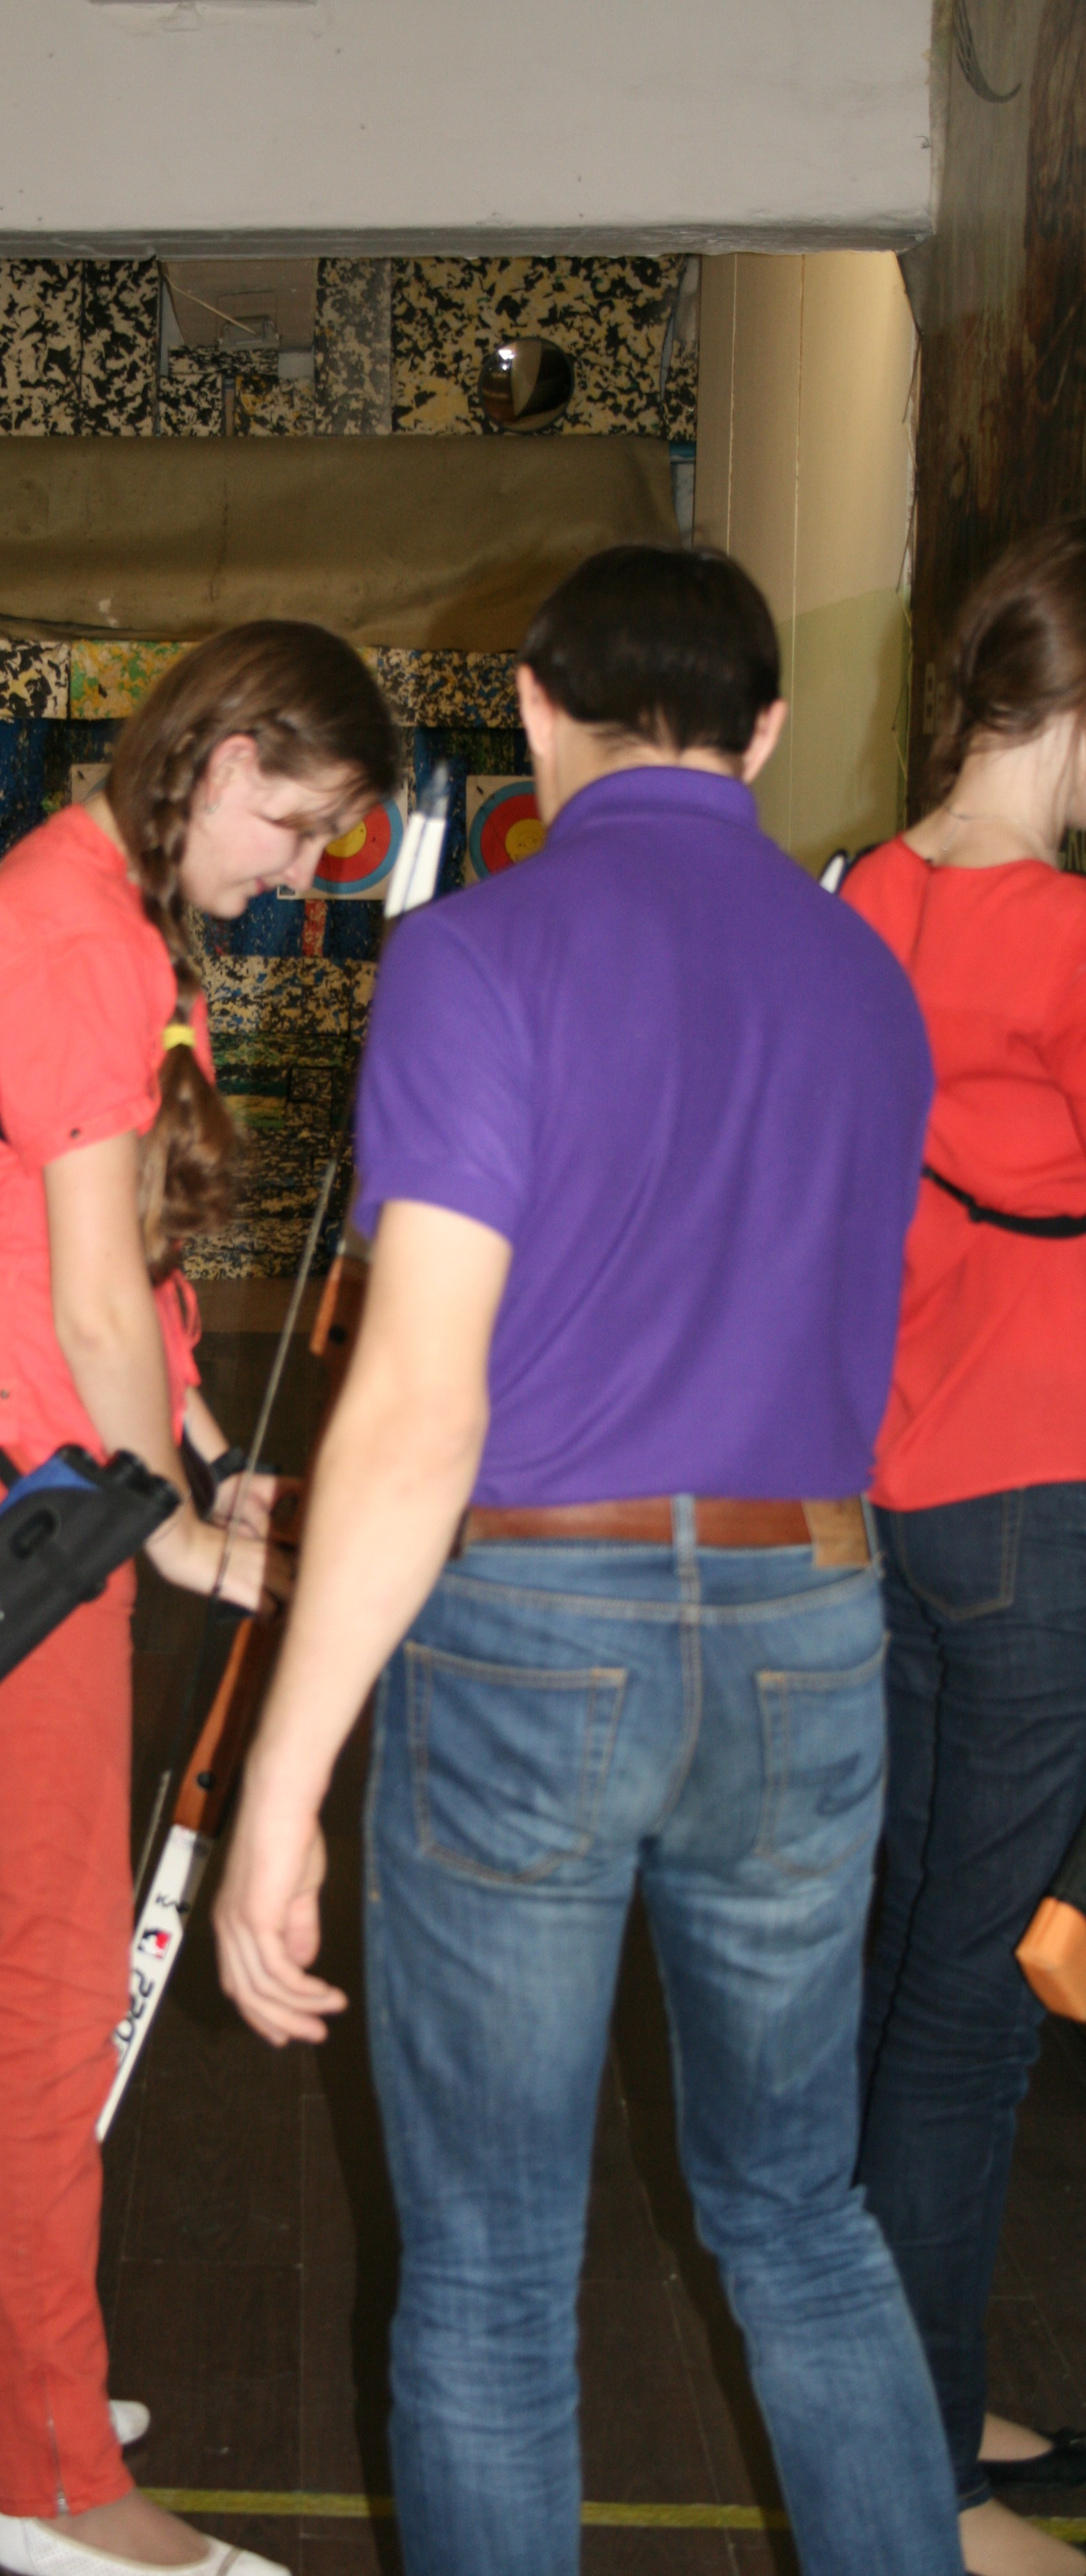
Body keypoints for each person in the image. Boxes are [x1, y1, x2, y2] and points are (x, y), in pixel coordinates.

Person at [213, 547, 965, 2576]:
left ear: (534, 711)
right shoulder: (863, 978)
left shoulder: (479, 959)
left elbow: (416, 1407)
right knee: (803, 2219)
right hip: (814, 1621)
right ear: (768, 731)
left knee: (484, 2271)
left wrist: (283, 1783)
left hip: (540, 1625)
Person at [0, 622, 396, 2576]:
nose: (302, 870)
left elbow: (120, 1283)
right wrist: (165, 1528)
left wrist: (205, 1446)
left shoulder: (96, 907)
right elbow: (80, 1295)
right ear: (225, 754)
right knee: (54, 1980)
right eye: (299, 823)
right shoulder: (86, 935)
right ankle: (59, 2484)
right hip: (14, 1484)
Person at [844, 521, 1086, 2576]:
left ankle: (917, 2386)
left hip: (908, 1497)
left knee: (923, 1955)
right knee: (972, 2009)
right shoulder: (1072, 944)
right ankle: (910, 2486)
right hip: (1044, 1506)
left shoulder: (865, 891)